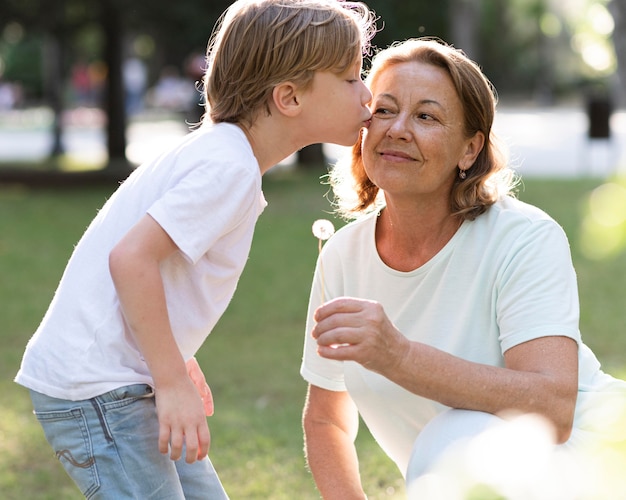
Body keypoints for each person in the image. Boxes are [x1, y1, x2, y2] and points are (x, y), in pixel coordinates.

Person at [15, 1, 376, 498]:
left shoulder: (223, 153)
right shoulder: (228, 167)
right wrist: (170, 379)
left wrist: (174, 355)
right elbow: (130, 259)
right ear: (289, 97)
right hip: (99, 390)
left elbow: (157, 270)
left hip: (118, 381)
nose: (368, 95)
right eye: (352, 77)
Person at [301, 38, 626, 498]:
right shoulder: (341, 256)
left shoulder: (524, 237)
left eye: (426, 116)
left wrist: (399, 356)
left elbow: (553, 409)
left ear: (469, 149)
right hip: (463, 482)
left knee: (449, 440)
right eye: (384, 110)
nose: (396, 129)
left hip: (594, 464)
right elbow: (326, 417)